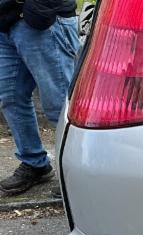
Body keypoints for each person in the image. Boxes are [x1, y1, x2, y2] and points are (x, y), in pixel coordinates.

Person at [0, 0, 79, 195]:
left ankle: (77, 172)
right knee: (11, 97)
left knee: (60, 105)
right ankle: (34, 163)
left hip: (43, 20)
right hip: (6, 23)